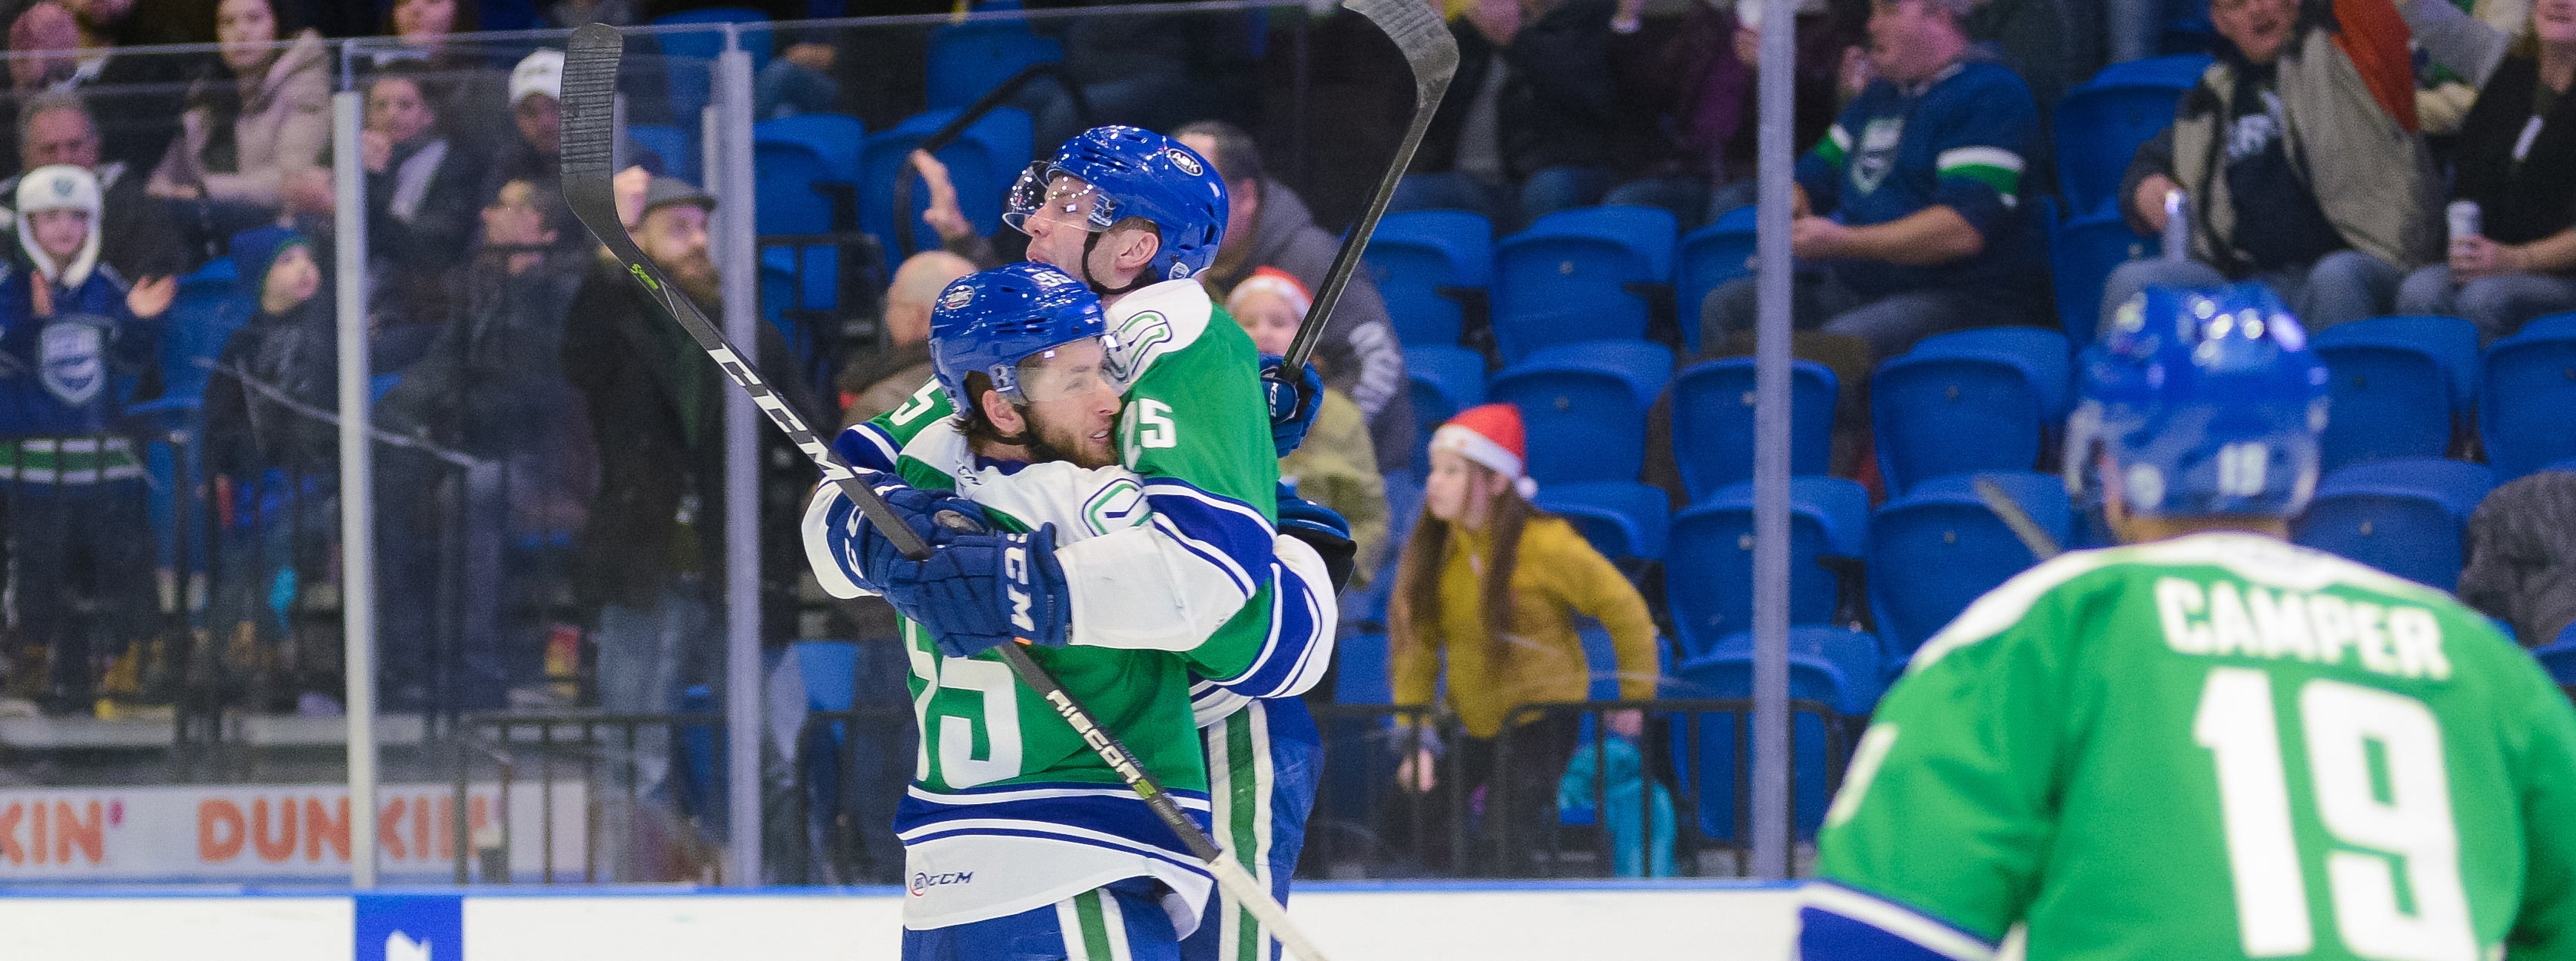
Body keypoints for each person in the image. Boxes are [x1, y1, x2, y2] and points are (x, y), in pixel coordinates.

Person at [1799, 283, 2576, 959]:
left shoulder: (2050, 627)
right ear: (2304, 465)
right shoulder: (2465, 652)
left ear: (2108, 465)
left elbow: (1873, 935)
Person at [835, 126, 1334, 961]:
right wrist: (894, 538)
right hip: (1115, 754)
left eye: (1067, 206)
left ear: (1134, 247)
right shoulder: (1041, 336)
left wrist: (1013, 585)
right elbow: (849, 485)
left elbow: (1223, 592)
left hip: (1218, 726)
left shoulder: (1173, 328)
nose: (1034, 221)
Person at [559, 175, 817, 807]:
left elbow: (809, 437)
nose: (699, 242)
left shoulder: (752, 335)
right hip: (647, 560)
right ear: (637, 243)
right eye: (678, 229)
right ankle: (637, 881)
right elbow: (578, 355)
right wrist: (605, 246)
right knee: (635, 751)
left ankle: (783, 879)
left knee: (770, 749)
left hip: (739, 565)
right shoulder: (617, 332)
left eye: (703, 228)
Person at [1388, 402, 1659, 875]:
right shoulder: (1439, 551)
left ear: (1496, 483)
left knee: (1508, 831)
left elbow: (1626, 609)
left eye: (1453, 472)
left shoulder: (1547, 544)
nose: (1435, 482)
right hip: (1471, 719)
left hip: (1543, 717)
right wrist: (1417, 737)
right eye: (1434, 470)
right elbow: (1417, 648)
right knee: (1421, 824)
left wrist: (1636, 696)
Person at [1699, 0, 2047, 362]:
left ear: (1940, 17)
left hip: (1960, 296)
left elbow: (1961, 230)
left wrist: (1842, 242)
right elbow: (1813, 175)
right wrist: (1790, 205)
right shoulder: (1881, 97)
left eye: (1889, 10)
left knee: (1839, 344)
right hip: (1859, 287)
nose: (1872, 25)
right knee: (1729, 308)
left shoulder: (1990, 94)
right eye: (1873, 11)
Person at [373, 176, 598, 710]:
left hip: (546, 463)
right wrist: (391, 419)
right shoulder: (484, 294)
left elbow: (542, 391)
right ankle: (408, 665)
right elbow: (438, 369)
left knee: (474, 492)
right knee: (388, 485)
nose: (486, 215)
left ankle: (474, 667)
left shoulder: (563, 296)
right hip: (479, 449)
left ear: (539, 228)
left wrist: (461, 408)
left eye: (503, 206)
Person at [2106, 0, 2437, 334]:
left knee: (2336, 278)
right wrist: (2143, 183)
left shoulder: (2347, 52)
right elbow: (2157, 155)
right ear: (2221, 22)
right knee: (2131, 283)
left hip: (2358, 260)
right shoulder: (2213, 92)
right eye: (2237, 4)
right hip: (2241, 280)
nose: (2257, 10)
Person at [0, 163, 171, 714]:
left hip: (103, 465)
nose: (64, 229)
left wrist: (141, 322)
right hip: (31, 467)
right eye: (49, 217)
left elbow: (129, 362)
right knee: (38, 570)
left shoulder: (110, 288)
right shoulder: (9, 288)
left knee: (114, 568)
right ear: (26, 224)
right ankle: (32, 666)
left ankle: (124, 668)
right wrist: (33, 325)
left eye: (77, 216)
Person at [1176, 120, 1416, 477]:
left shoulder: (1310, 258)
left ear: (1246, 197)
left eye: (1198, 193)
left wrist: (1309, 435)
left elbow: (1378, 366)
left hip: (1358, 473)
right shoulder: (1181, 263)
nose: (1179, 208)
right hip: (1250, 462)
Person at [198, 225, 336, 712]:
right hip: (256, 490)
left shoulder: (328, 334)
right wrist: (217, 469)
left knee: (278, 562)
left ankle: (270, 663)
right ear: (259, 279)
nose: (303, 268)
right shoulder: (241, 344)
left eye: (307, 257)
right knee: (240, 566)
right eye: (286, 261)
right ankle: (228, 664)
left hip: (311, 492)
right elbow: (218, 417)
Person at [2394, 0, 2576, 344]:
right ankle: (2440, 397)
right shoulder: (2508, 64)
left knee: (2487, 300)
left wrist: (2518, 259)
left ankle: (2501, 397)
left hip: (2561, 271)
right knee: (2420, 291)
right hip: (2495, 253)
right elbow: (2429, 17)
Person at [1393, 0, 1655, 228]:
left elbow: (1592, 96)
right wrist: (1438, 37)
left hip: (1560, 174)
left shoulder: (1597, 19)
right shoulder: (1477, 29)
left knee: (1550, 188)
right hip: (1474, 184)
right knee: (1399, 194)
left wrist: (1516, 41)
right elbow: (1422, 112)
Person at [1229, 267, 1390, 590]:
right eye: (1247, 323)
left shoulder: (1341, 417)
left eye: (1279, 323)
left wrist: (1333, 568)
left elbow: (1369, 516)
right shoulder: (1210, 408)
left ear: (1309, 338)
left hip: (1312, 588)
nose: (1263, 333)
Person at [146, 0, 329, 220]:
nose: (241, 32)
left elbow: (291, 181)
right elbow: (164, 177)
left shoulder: (304, 82)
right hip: (212, 230)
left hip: (281, 234)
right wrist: (164, 192)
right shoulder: (205, 93)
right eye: (228, 22)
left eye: (254, 19)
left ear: (277, 25)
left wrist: (204, 191)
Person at [0, 91, 190, 279]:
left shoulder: (129, 201)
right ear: (25, 155)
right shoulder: (4, 212)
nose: (63, 159)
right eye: (49, 149)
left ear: (94, 147)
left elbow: (155, 276)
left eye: (74, 146)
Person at [838, 250, 976, 428]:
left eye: (893, 303)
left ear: (915, 316)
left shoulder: (878, 409)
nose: (888, 316)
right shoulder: (996, 386)